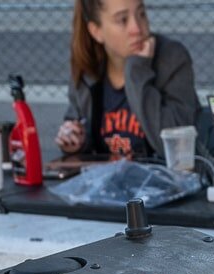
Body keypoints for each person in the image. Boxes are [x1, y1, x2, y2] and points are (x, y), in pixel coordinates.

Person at [59, 0, 197, 164]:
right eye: (122, 20)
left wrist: (137, 72)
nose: (137, 29)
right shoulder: (89, 70)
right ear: (97, 32)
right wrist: (76, 140)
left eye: (141, 14)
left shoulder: (171, 59)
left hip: (160, 183)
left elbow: (178, 150)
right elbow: (79, 126)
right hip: (106, 183)